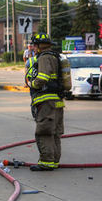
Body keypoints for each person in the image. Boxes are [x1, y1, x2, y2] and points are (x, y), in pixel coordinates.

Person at [27, 33, 65, 172]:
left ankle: (46, 162)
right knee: (55, 132)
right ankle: (54, 161)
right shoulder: (55, 57)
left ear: (39, 45)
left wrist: (32, 84)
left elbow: (42, 78)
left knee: (44, 131)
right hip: (57, 101)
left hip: (46, 101)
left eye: (35, 45)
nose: (33, 48)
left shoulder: (44, 58)